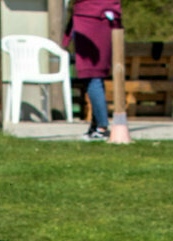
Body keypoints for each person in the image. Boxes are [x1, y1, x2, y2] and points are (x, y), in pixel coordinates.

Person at [63, 0, 122, 142]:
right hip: (107, 18)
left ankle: (101, 127)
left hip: (90, 19)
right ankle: (96, 126)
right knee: (96, 76)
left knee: (92, 75)